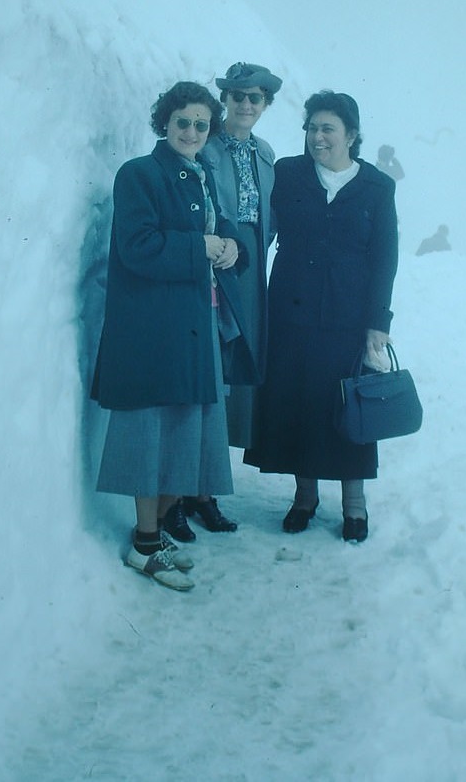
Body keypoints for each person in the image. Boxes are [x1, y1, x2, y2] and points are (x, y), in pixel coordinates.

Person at [90, 81, 256, 589]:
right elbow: (138, 247)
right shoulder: (139, 174)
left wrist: (232, 249)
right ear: (165, 122)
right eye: (182, 121)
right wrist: (203, 246)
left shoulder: (202, 174)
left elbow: (225, 232)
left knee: (186, 429)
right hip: (152, 327)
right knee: (151, 429)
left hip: (194, 324)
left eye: (201, 124)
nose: (191, 131)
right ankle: (144, 544)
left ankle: (156, 530)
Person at [244, 90, 399, 542]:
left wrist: (378, 321)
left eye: (327, 128)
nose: (317, 137)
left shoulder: (376, 187)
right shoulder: (289, 174)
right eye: (311, 128)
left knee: (349, 405)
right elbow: (263, 231)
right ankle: (305, 497)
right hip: (291, 313)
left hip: (349, 318)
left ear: (351, 134)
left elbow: (384, 259)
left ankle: (355, 503)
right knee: (297, 402)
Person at [169, 62, 282, 538]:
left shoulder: (265, 153)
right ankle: (182, 493)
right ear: (225, 101)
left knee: (230, 381)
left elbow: (267, 219)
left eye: (254, 97)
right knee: (206, 375)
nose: (245, 105)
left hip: (248, 270)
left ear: (264, 105)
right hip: (216, 267)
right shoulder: (204, 146)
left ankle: (203, 489)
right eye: (237, 96)